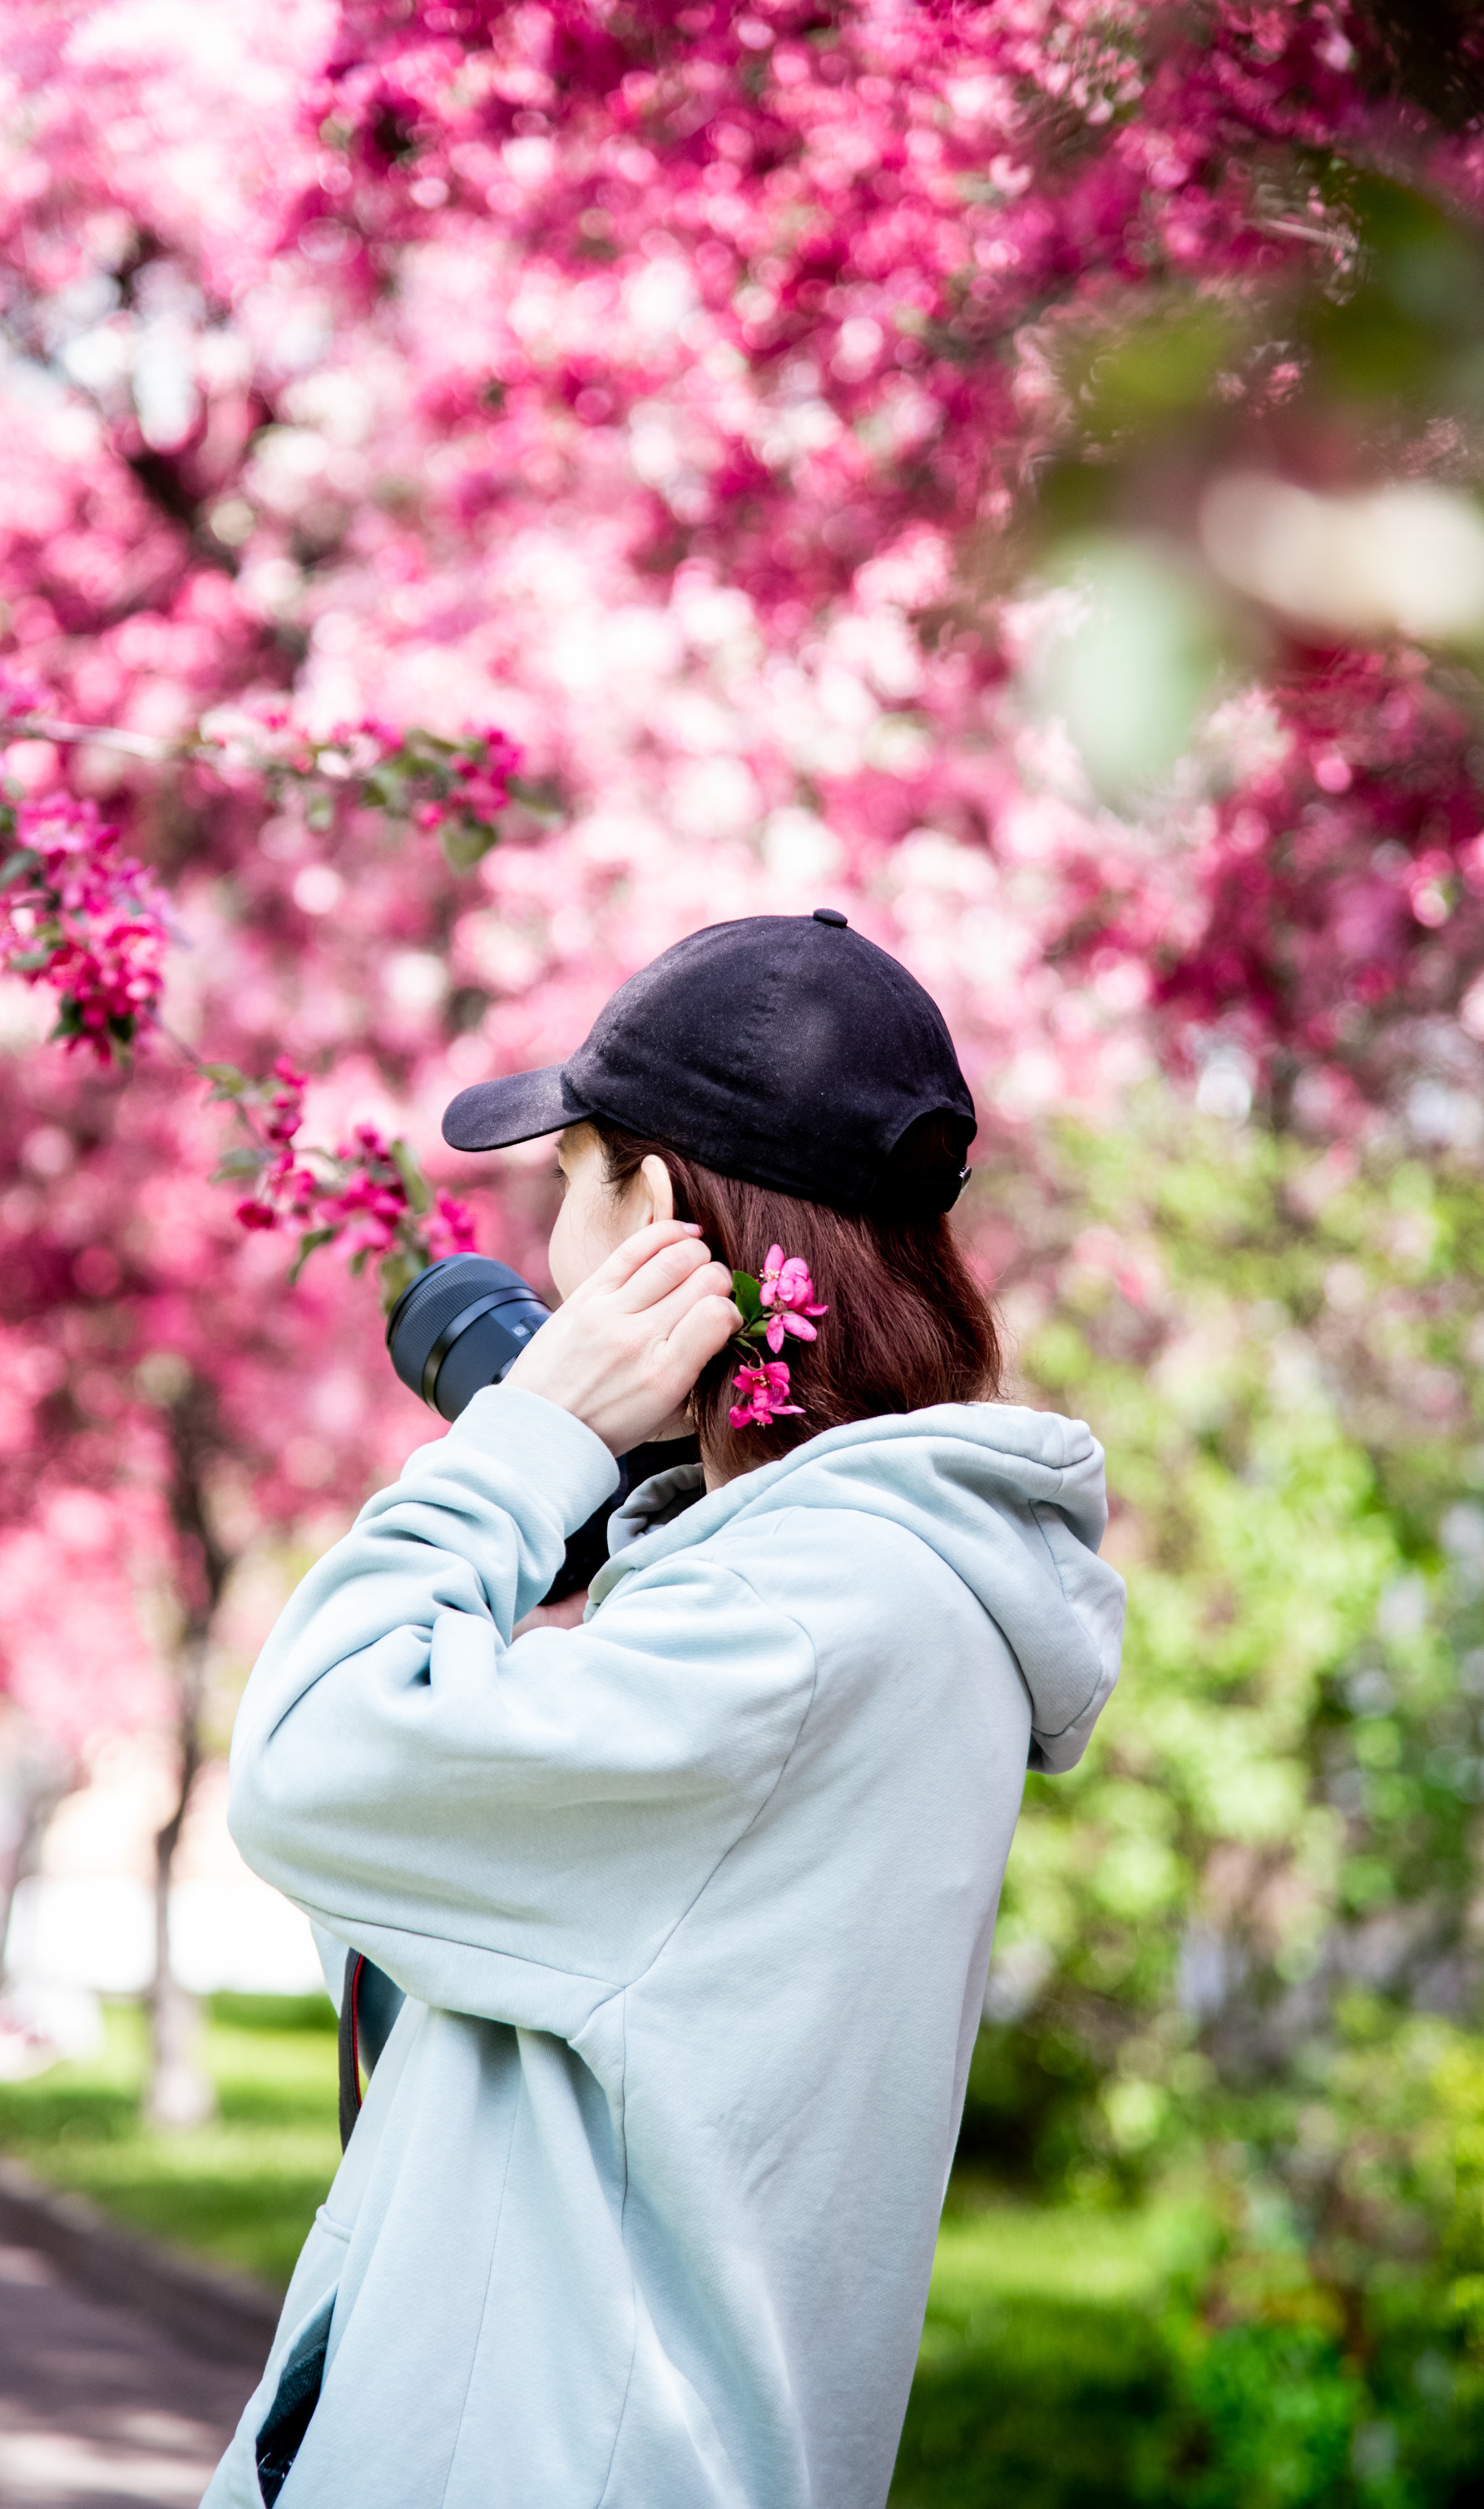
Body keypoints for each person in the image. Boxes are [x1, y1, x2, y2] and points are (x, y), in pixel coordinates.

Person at [205, 913, 1125, 2509]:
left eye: (568, 1172)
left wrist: (530, 1440)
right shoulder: (824, 1597)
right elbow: (414, 1915)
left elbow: (307, 1767)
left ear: (656, 1221)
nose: (544, 1227)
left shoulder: (793, 1623)